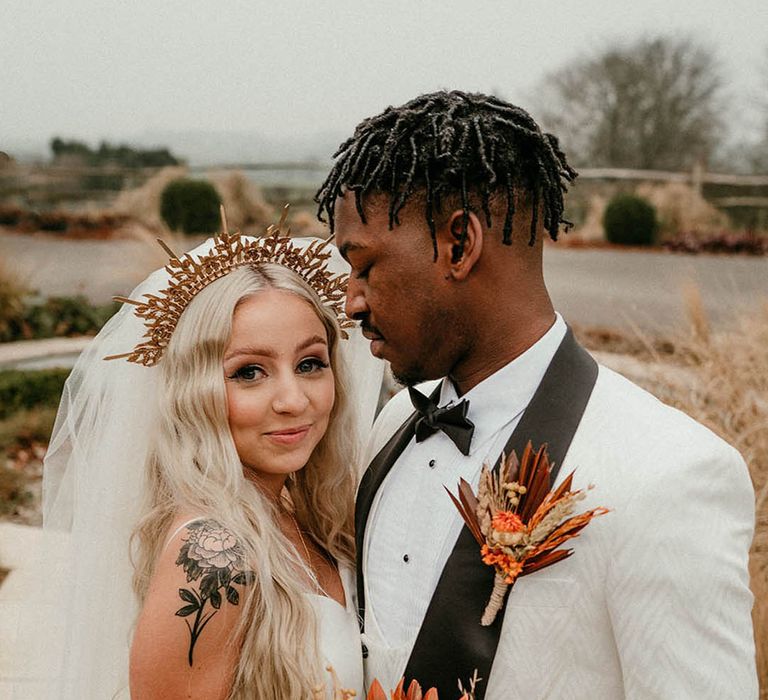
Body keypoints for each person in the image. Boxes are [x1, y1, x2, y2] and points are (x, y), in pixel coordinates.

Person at [315, 90, 757, 699]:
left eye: (363, 267)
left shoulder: (668, 475)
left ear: (459, 245)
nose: (352, 301)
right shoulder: (392, 425)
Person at [39, 216, 382, 699]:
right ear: (194, 392)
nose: (292, 399)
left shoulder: (307, 519)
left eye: (309, 364)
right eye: (248, 373)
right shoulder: (211, 553)